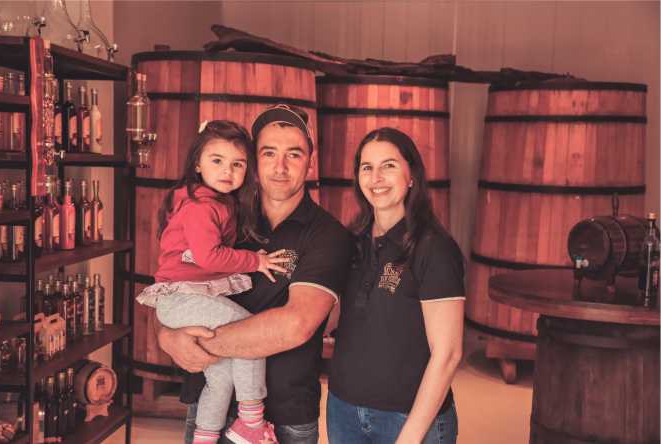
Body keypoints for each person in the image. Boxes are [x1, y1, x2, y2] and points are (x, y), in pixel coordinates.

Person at [156, 105, 353, 444]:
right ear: (254, 162)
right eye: (268, 153)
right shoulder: (225, 217)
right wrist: (166, 337)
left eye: (294, 154)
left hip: (282, 416)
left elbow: (295, 325)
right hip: (208, 403)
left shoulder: (328, 235)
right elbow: (179, 287)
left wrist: (193, 343)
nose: (280, 167)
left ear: (310, 162)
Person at [138, 120, 290, 444]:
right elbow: (209, 257)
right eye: (217, 160)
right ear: (197, 163)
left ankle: (204, 437)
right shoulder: (201, 206)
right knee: (251, 334)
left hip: (183, 299)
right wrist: (256, 261)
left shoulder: (218, 202)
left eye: (238, 164)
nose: (227, 171)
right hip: (182, 299)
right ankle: (251, 420)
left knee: (220, 377)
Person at [327, 127, 465, 444]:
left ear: (411, 175)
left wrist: (410, 437)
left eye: (388, 165)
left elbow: (448, 354)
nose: (376, 178)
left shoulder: (434, 248)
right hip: (343, 410)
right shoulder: (351, 241)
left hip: (408, 419)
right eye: (367, 167)